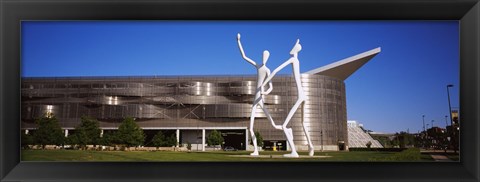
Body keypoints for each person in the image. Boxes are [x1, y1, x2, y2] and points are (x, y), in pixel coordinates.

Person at [262, 39, 314, 157]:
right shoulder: (298, 60)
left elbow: (275, 70)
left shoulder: (292, 59)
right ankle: (311, 146)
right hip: (304, 95)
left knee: (284, 126)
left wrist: (266, 81)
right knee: (303, 122)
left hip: (300, 97)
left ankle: (294, 152)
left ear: (295, 50)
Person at [237, 33, 281, 156]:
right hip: (255, 100)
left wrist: (265, 92)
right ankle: (256, 150)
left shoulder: (267, 70)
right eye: (262, 56)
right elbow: (244, 56)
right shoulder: (258, 66)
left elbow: (271, 87)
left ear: (268, 58)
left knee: (272, 123)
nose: (263, 58)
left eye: (266, 56)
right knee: (250, 127)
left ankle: (286, 130)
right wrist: (238, 41)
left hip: (260, 99)